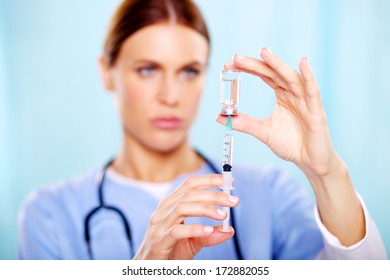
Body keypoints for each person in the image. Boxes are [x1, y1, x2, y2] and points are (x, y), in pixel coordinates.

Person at [18, 0, 387, 260]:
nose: (171, 95)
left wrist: (325, 172)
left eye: (189, 71)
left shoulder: (269, 196)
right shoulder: (49, 214)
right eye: (148, 69)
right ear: (106, 72)